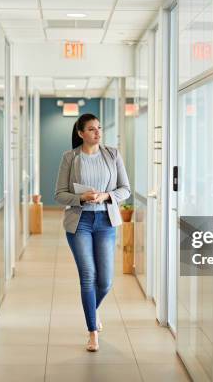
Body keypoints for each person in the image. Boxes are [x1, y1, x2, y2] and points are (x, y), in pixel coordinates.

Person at [54, 113, 131, 352]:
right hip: (81, 222)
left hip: (105, 221)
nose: (98, 132)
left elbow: (125, 189)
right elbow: (59, 194)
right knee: (88, 276)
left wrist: (107, 196)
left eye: (99, 128)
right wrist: (81, 198)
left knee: (105, 282)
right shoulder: (70, 157)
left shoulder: (113, 154)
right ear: (80, 133)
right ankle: (92, 331)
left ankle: (91, 311)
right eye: (91, 129)